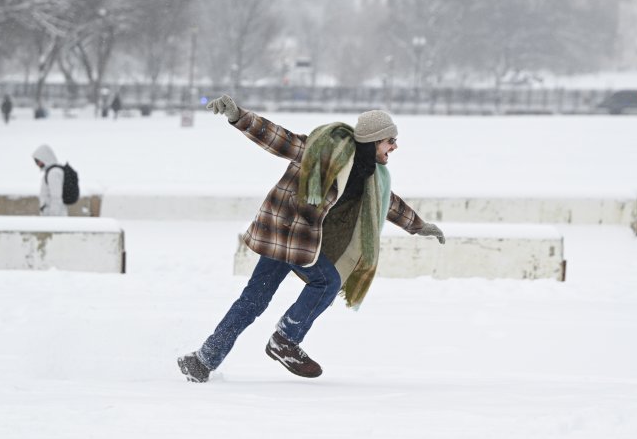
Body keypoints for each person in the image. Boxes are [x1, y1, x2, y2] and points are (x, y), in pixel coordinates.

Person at [177, 94, 445, 383]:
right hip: (290, 233)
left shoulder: (370, 174)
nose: (394, 146)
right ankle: (285, 340)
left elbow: (387, 202)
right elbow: (280, 139)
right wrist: (238, 116)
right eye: (390, 140)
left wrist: (418, 226)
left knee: (253, 299)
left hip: (289, 239)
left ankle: (203, 360)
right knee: (326, 281)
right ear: (374, 140)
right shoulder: (323, 150)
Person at [31, 144, 68, 216]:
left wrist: (52, 218)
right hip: (52, 216)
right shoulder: (51, 172)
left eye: (38, 161)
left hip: (55, 218)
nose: (37, 164)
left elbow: (56, 197)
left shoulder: (53, 173)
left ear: (44, 158)